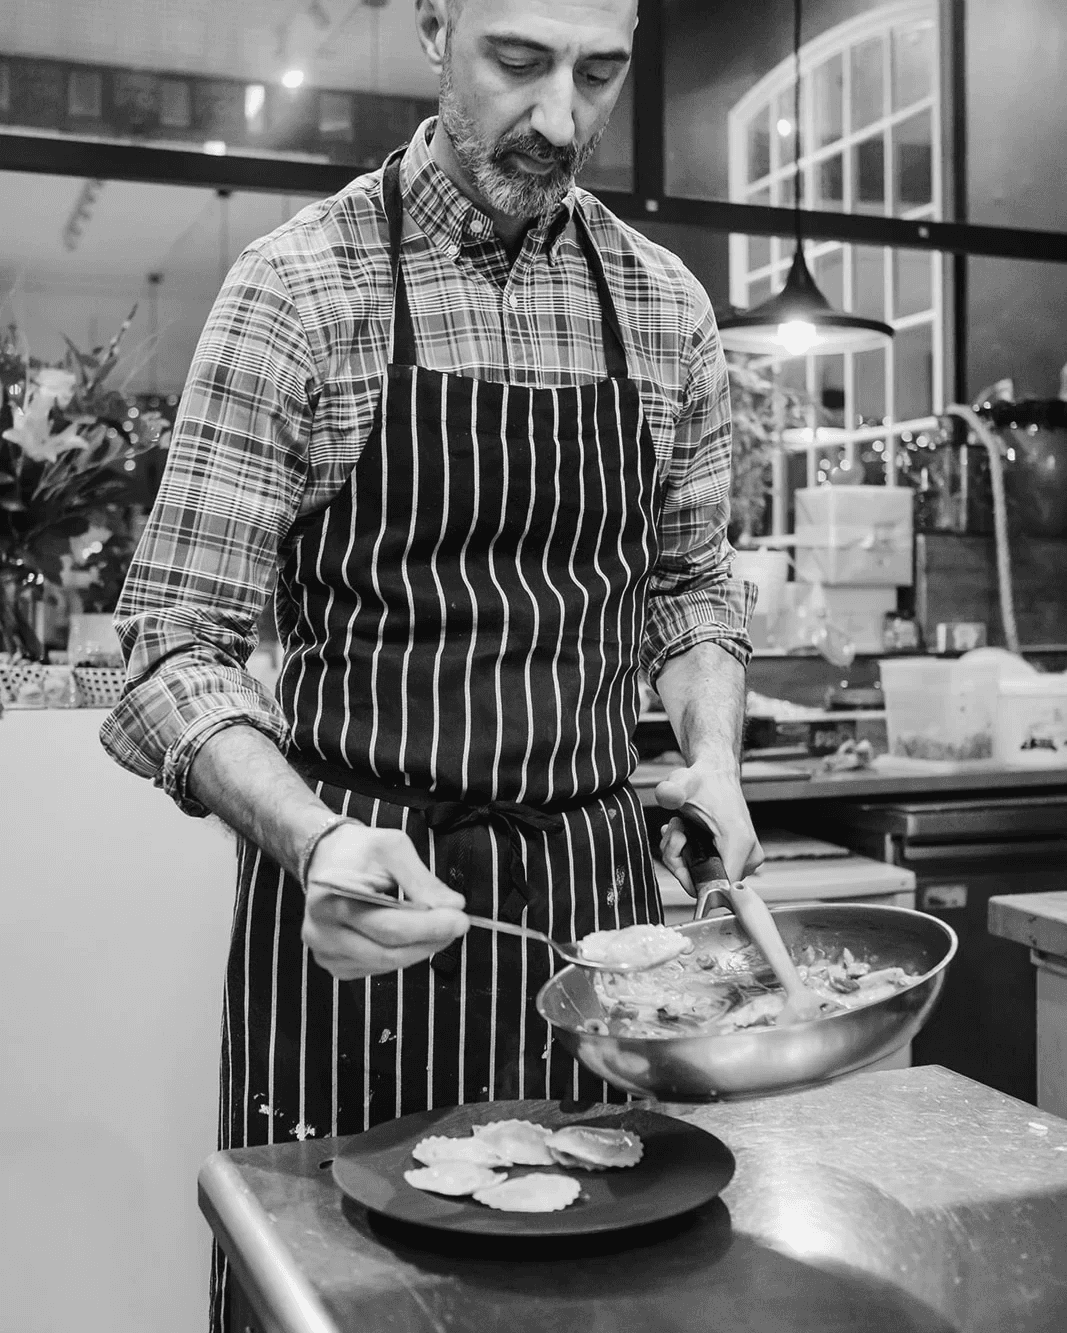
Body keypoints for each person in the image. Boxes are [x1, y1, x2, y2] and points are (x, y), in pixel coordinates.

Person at [102, 0, 762, 1324]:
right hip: (360, 908)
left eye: (600, 72)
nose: (561, 120)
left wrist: (710, 758)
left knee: (601, 1291)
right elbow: (171, 647)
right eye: (518, 63)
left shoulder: (661, 305)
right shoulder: (300, 290)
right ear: (433, 28)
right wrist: (310, 839)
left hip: (587, 921)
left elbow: (690, 590)